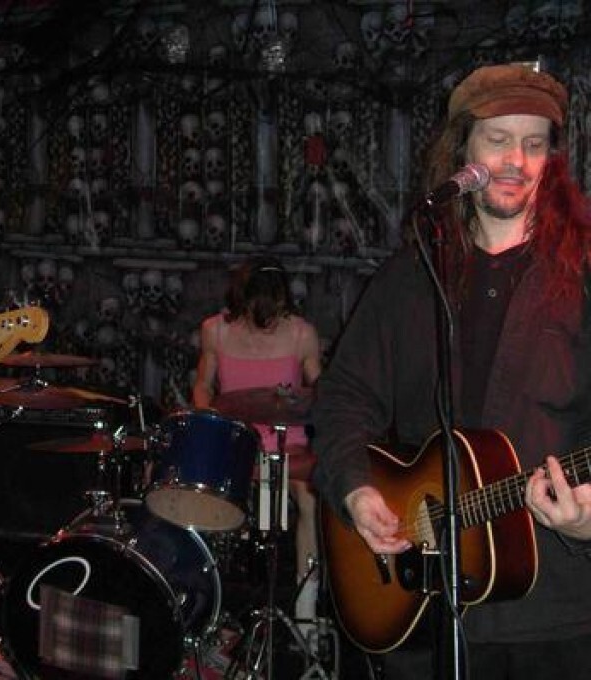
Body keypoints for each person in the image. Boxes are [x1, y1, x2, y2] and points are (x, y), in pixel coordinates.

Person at [313, 63, 591, 679]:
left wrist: (589, 521)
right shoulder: (413, 275)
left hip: (556, 614)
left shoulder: (583, 273)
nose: (516, 160)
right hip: (423, 608)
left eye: (535, 143)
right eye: (497, 139)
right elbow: (342, 396)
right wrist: (357, 488)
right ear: (462, 148)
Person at [192, 256, 323, 627]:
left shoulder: (301, 334)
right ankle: (208, 601)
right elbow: (203, 386)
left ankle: (306, 609)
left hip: (288, 443)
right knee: (200, 490)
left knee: (311, 499)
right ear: (242, 299)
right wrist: (209, 417)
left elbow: (320, 390)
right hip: (238, 442)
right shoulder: (215, 330)